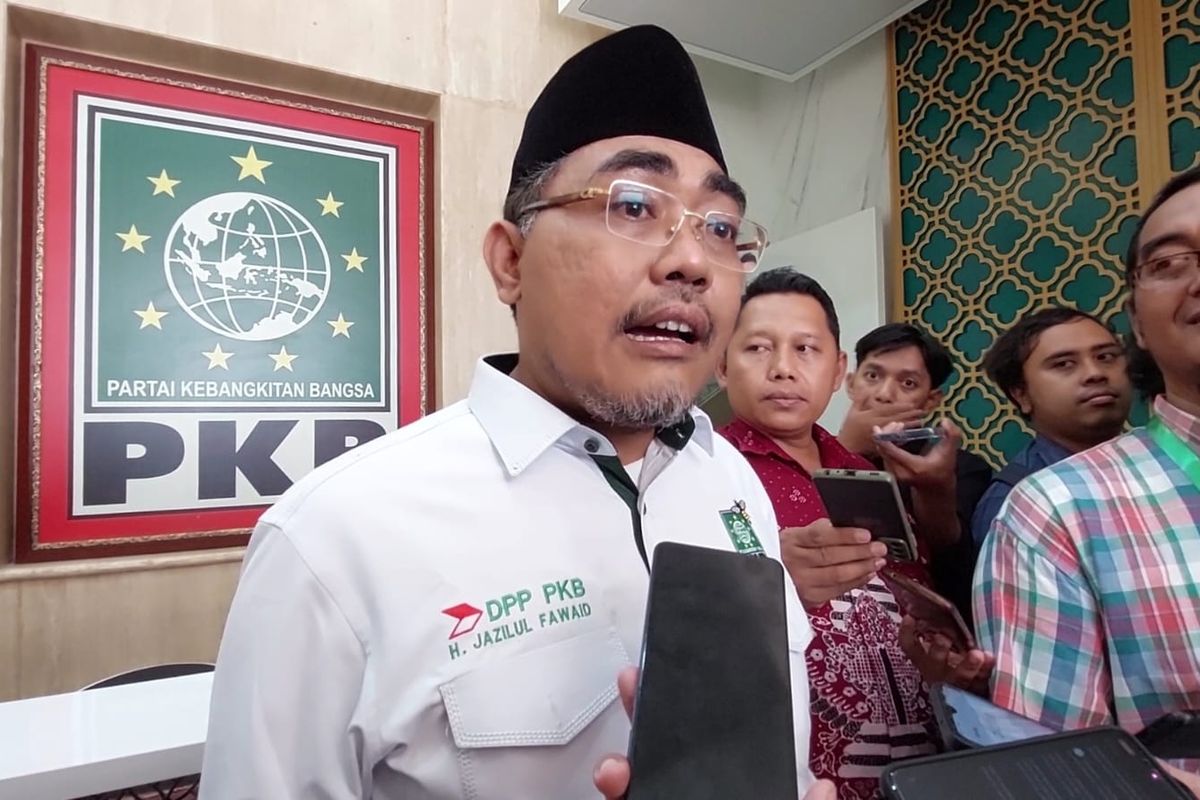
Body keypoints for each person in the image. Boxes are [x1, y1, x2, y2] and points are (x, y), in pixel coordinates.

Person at [200, 26, 831, 799]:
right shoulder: (334, 540)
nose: (693, 261)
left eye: (721, 228)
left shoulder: (729, 479)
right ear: (510, 261)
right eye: (634, 205)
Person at [715, 269, 985, 799]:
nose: (783, 368)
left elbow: (914, 601)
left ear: (838, 371)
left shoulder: (868, 474)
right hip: (791, 777)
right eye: (758, 348)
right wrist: (771, 581)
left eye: (806, 349)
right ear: (721, 365)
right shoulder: (699, 471)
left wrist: (937, 655)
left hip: (918, 769)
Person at [974, 167, 1200, 782]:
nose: (1095, 374)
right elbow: (1057, 777)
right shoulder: (1045, 512)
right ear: (1140, 323)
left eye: (1103, 358)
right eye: (1169, 262)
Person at [838, 323, 993, 628]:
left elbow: (950, 557)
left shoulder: (963, 467)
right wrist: (844, 449)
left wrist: (934, 489)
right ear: (851, 384)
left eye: (908, 383)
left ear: (931, 400)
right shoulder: (813, 453)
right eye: (873, 376)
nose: (884, 394)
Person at [970, 307, 1131, 546]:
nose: (1095, 373)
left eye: (1105, 357)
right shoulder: (1014, 504)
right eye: (1064, 364)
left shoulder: (1164, 461)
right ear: (1021, 394)